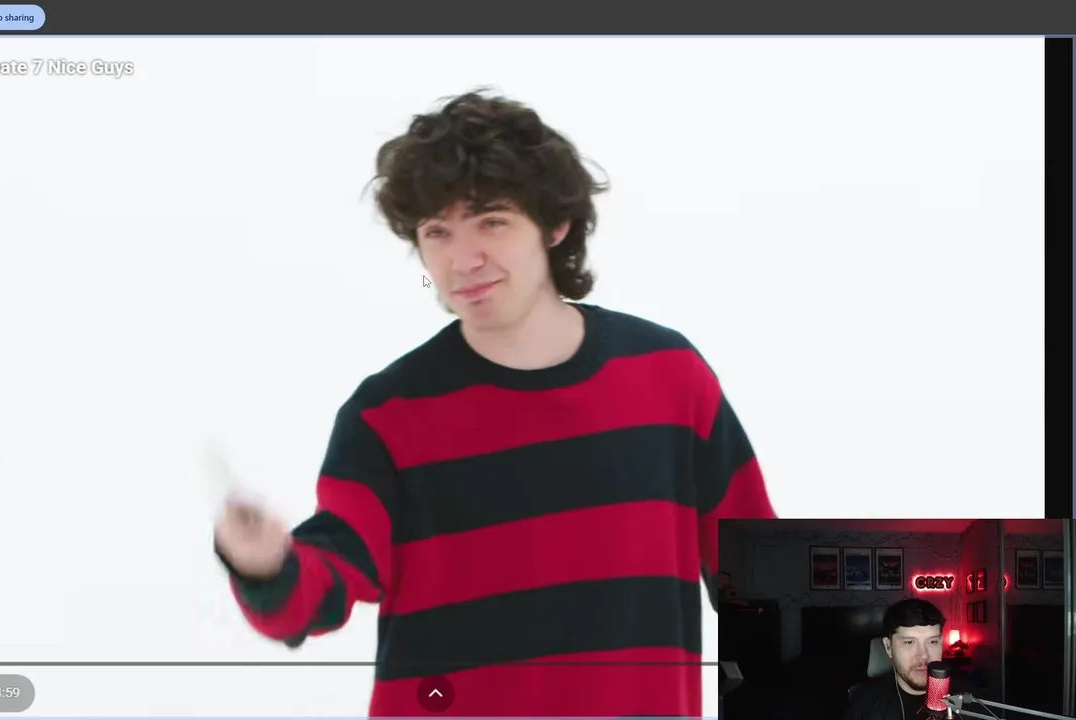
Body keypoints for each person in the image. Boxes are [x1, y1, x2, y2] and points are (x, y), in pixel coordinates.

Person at [213, 90, 777, 717]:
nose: (462, 259)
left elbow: (761, 581)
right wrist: (265, 565)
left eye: (491, 221)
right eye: (437, 232)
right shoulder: (386, 417)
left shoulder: (667, 376)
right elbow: (318, 591)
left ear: (555, 225)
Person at [842, 599, 969, 719]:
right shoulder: (864, 705)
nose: (924, 655)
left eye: (932, 641)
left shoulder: (970, 701)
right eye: (909, 642)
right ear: (888, 647)